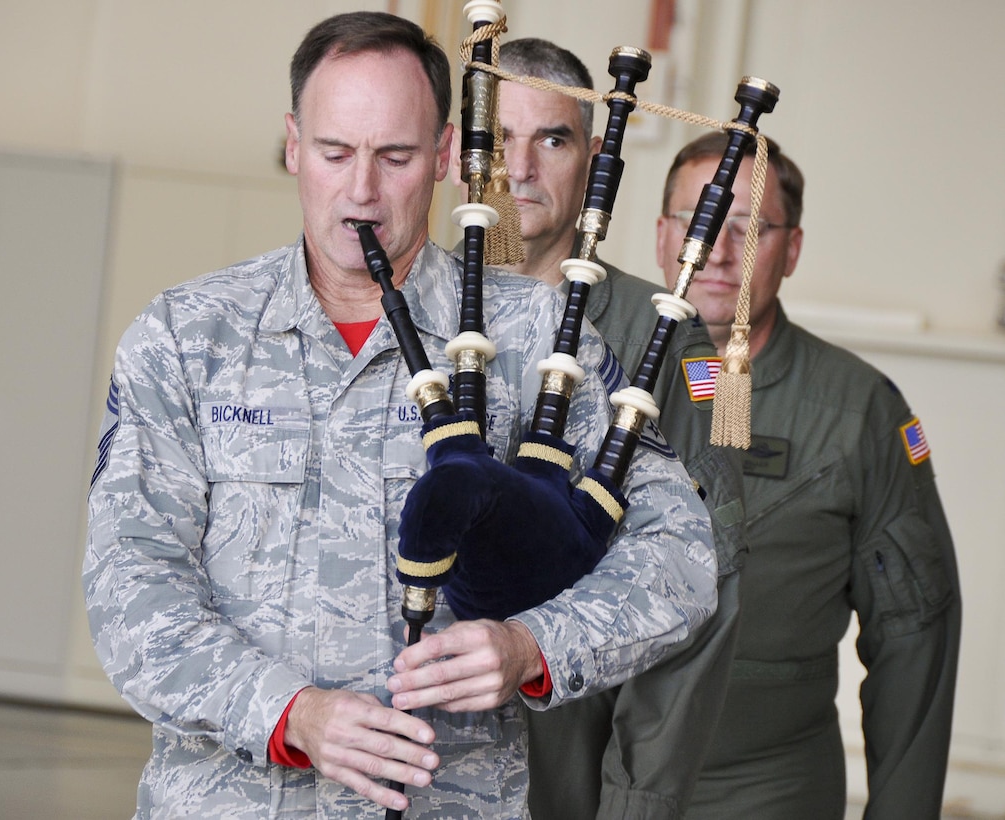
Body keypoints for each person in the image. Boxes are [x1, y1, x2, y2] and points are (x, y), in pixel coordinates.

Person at [82, 12, 718, 820]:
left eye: (395, 156)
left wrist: (533, 645)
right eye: (334, 152)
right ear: (291, 144)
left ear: (448, 157)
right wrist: (289, 712)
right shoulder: (187, 335)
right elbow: (130, 583)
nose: (362, 191)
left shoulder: (533, 341)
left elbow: (680, 555)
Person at [463, 38, 746, 819]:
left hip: (557, 765)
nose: (518, 169)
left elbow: (703, 585)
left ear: (593, 158)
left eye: (550, 139)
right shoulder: (412, 311)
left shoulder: (662, 337)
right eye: (502, 139)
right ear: (465, 152)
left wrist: (636, 804)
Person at [656, 131, 961, 818]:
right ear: (660, 233)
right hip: (587, 773)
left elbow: (914, 636)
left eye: (749, 227)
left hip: (763, 787)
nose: (717, 250)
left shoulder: (856, 411)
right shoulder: (585, 375)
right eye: (696, 220)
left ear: (790, 249)